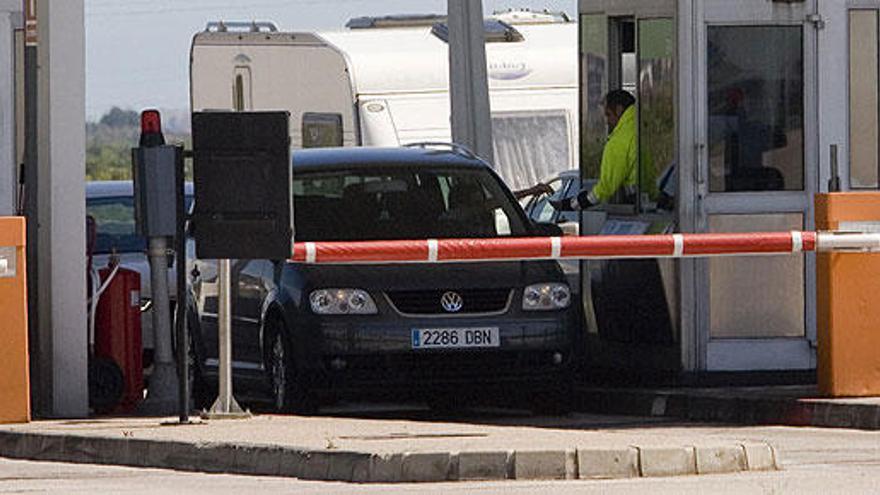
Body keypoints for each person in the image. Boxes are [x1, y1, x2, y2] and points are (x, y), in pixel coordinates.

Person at [552, 90, 656, 210]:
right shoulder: (643, 130)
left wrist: (573, 204)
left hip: (634, 206)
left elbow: (606, 187)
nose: (607, 122)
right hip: (649, 204)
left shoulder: (620, 140)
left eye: (608, 115)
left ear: (619, 110)